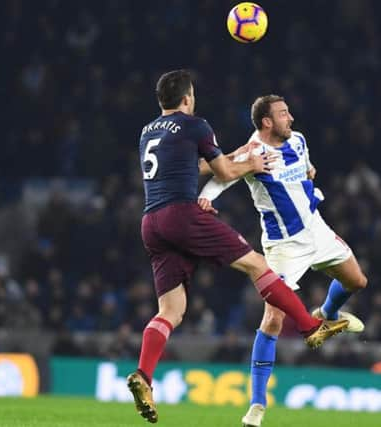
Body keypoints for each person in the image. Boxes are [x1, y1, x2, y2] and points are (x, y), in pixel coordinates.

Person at [126, 71, 349, 424]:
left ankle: (144, 375)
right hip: (181, 214)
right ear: (187, 98)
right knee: (259, 265)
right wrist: (250, 163)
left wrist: (234, 160)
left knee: (171, 311)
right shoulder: (196, 125)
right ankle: (310, 326)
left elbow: (190, 166)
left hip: (151, 223)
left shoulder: (148, 131)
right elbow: (226, 173)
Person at [198, 95, 367, 427]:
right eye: (283, 113)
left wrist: (309, 173)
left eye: (289, 111)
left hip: (316, 230)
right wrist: (205, 197)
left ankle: (327, 314)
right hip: (283, 247)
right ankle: (257, 406)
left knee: (357, 281)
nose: (290, 117)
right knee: (272, 319)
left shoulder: (298, 139)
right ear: (266, 122)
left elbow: (305, 166)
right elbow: (223, 173)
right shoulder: (253, 152)